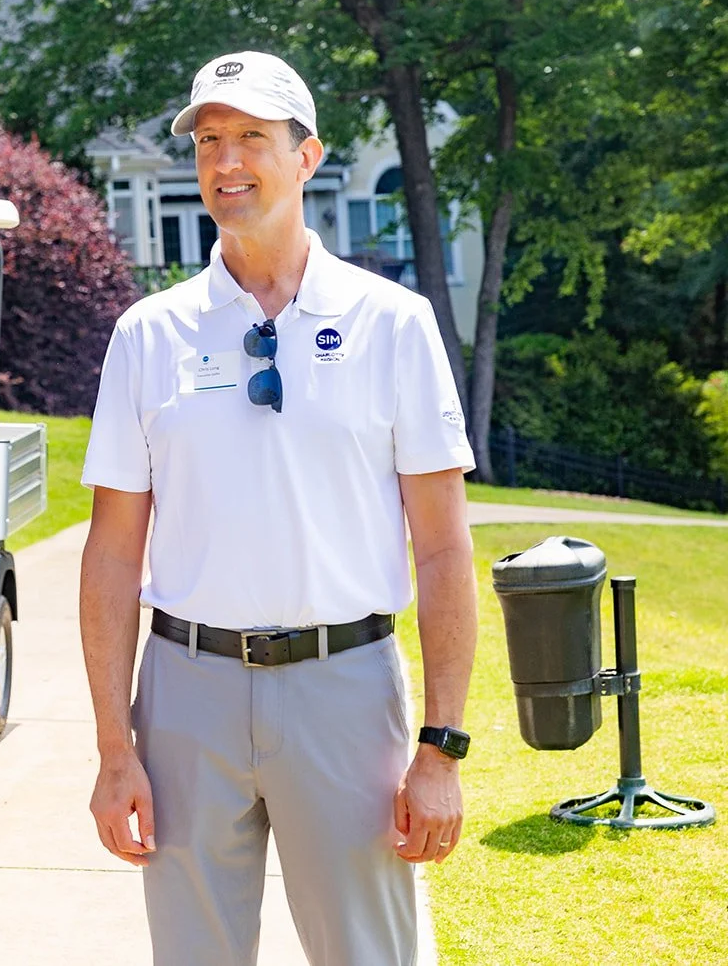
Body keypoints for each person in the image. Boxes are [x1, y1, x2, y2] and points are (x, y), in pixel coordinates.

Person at [78, 50, 478, 966]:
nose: (227, 161)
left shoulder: (394, 322)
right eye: (209, 139)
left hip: (346, 685)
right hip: (186, 693)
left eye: (253, 137)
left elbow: (445, 551)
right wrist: (113, 748)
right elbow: (110, 554)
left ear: (307, 156)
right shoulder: (148, 334)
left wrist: (441, 749)